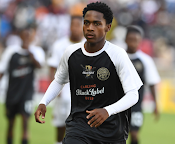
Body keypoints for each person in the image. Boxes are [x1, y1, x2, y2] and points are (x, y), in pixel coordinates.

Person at [34, 2, 143, 144]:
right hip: (78, 127)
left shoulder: (117, 54)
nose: (90, 28)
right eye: (86, 23)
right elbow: (59, 81)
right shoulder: (71, 53)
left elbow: (133, 95)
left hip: (111, 131)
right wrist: (44, 102)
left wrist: (107, 111)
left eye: (97, 24)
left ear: (107, 27)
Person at [0, 24, 45, 144]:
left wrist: (29, 52)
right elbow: (2, 70)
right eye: (24, 34)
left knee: (25, 123)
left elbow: (40, 66)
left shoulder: (36, 51)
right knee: (10, 123)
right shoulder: (11, 51)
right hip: (11, 92)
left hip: (27, 93)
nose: (26, 37)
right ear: (20, 36)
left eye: (28, 35)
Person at [47, 15, 84, 144]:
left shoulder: (89, 45)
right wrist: (55, 90)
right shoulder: (59, 45)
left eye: (78, 25)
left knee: (79, 127)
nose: (75, 28)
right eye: (73, 25)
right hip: (63, 90)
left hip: (82, 92)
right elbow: (52, 67)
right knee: (60, 125)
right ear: (69, 27)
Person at [125, 25, 160, 144]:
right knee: (117, 134)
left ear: (140, 41)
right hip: (118, 103)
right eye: (130, 39)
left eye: (136, 40)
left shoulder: (146, 60)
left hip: (136, 106)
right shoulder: (119, 57)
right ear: (125, 39)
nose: (133, 42)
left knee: (134, 135)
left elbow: (152, 83)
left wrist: (156, 104)